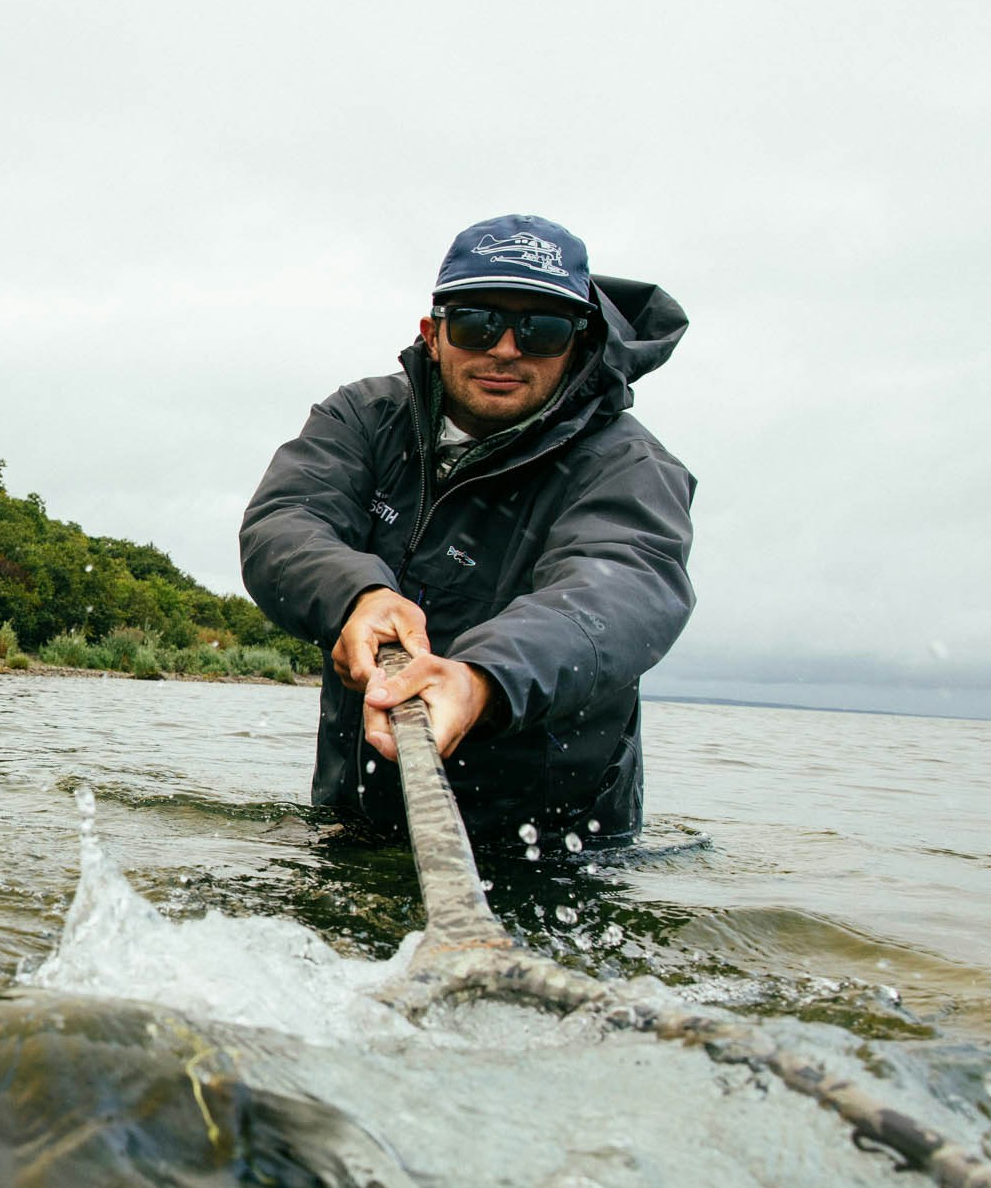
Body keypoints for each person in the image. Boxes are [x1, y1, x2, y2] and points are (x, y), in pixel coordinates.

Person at [239, 215, 695, 850]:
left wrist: (483, 677)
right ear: (434, 333)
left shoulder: (629, 468)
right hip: (356, 818)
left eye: (542, 330)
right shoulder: (362, 418)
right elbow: (284, 523)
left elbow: (624, 588)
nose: (506, 349)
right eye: (479, 323)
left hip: (555, 849)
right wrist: (356, 595)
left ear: (579, 343)